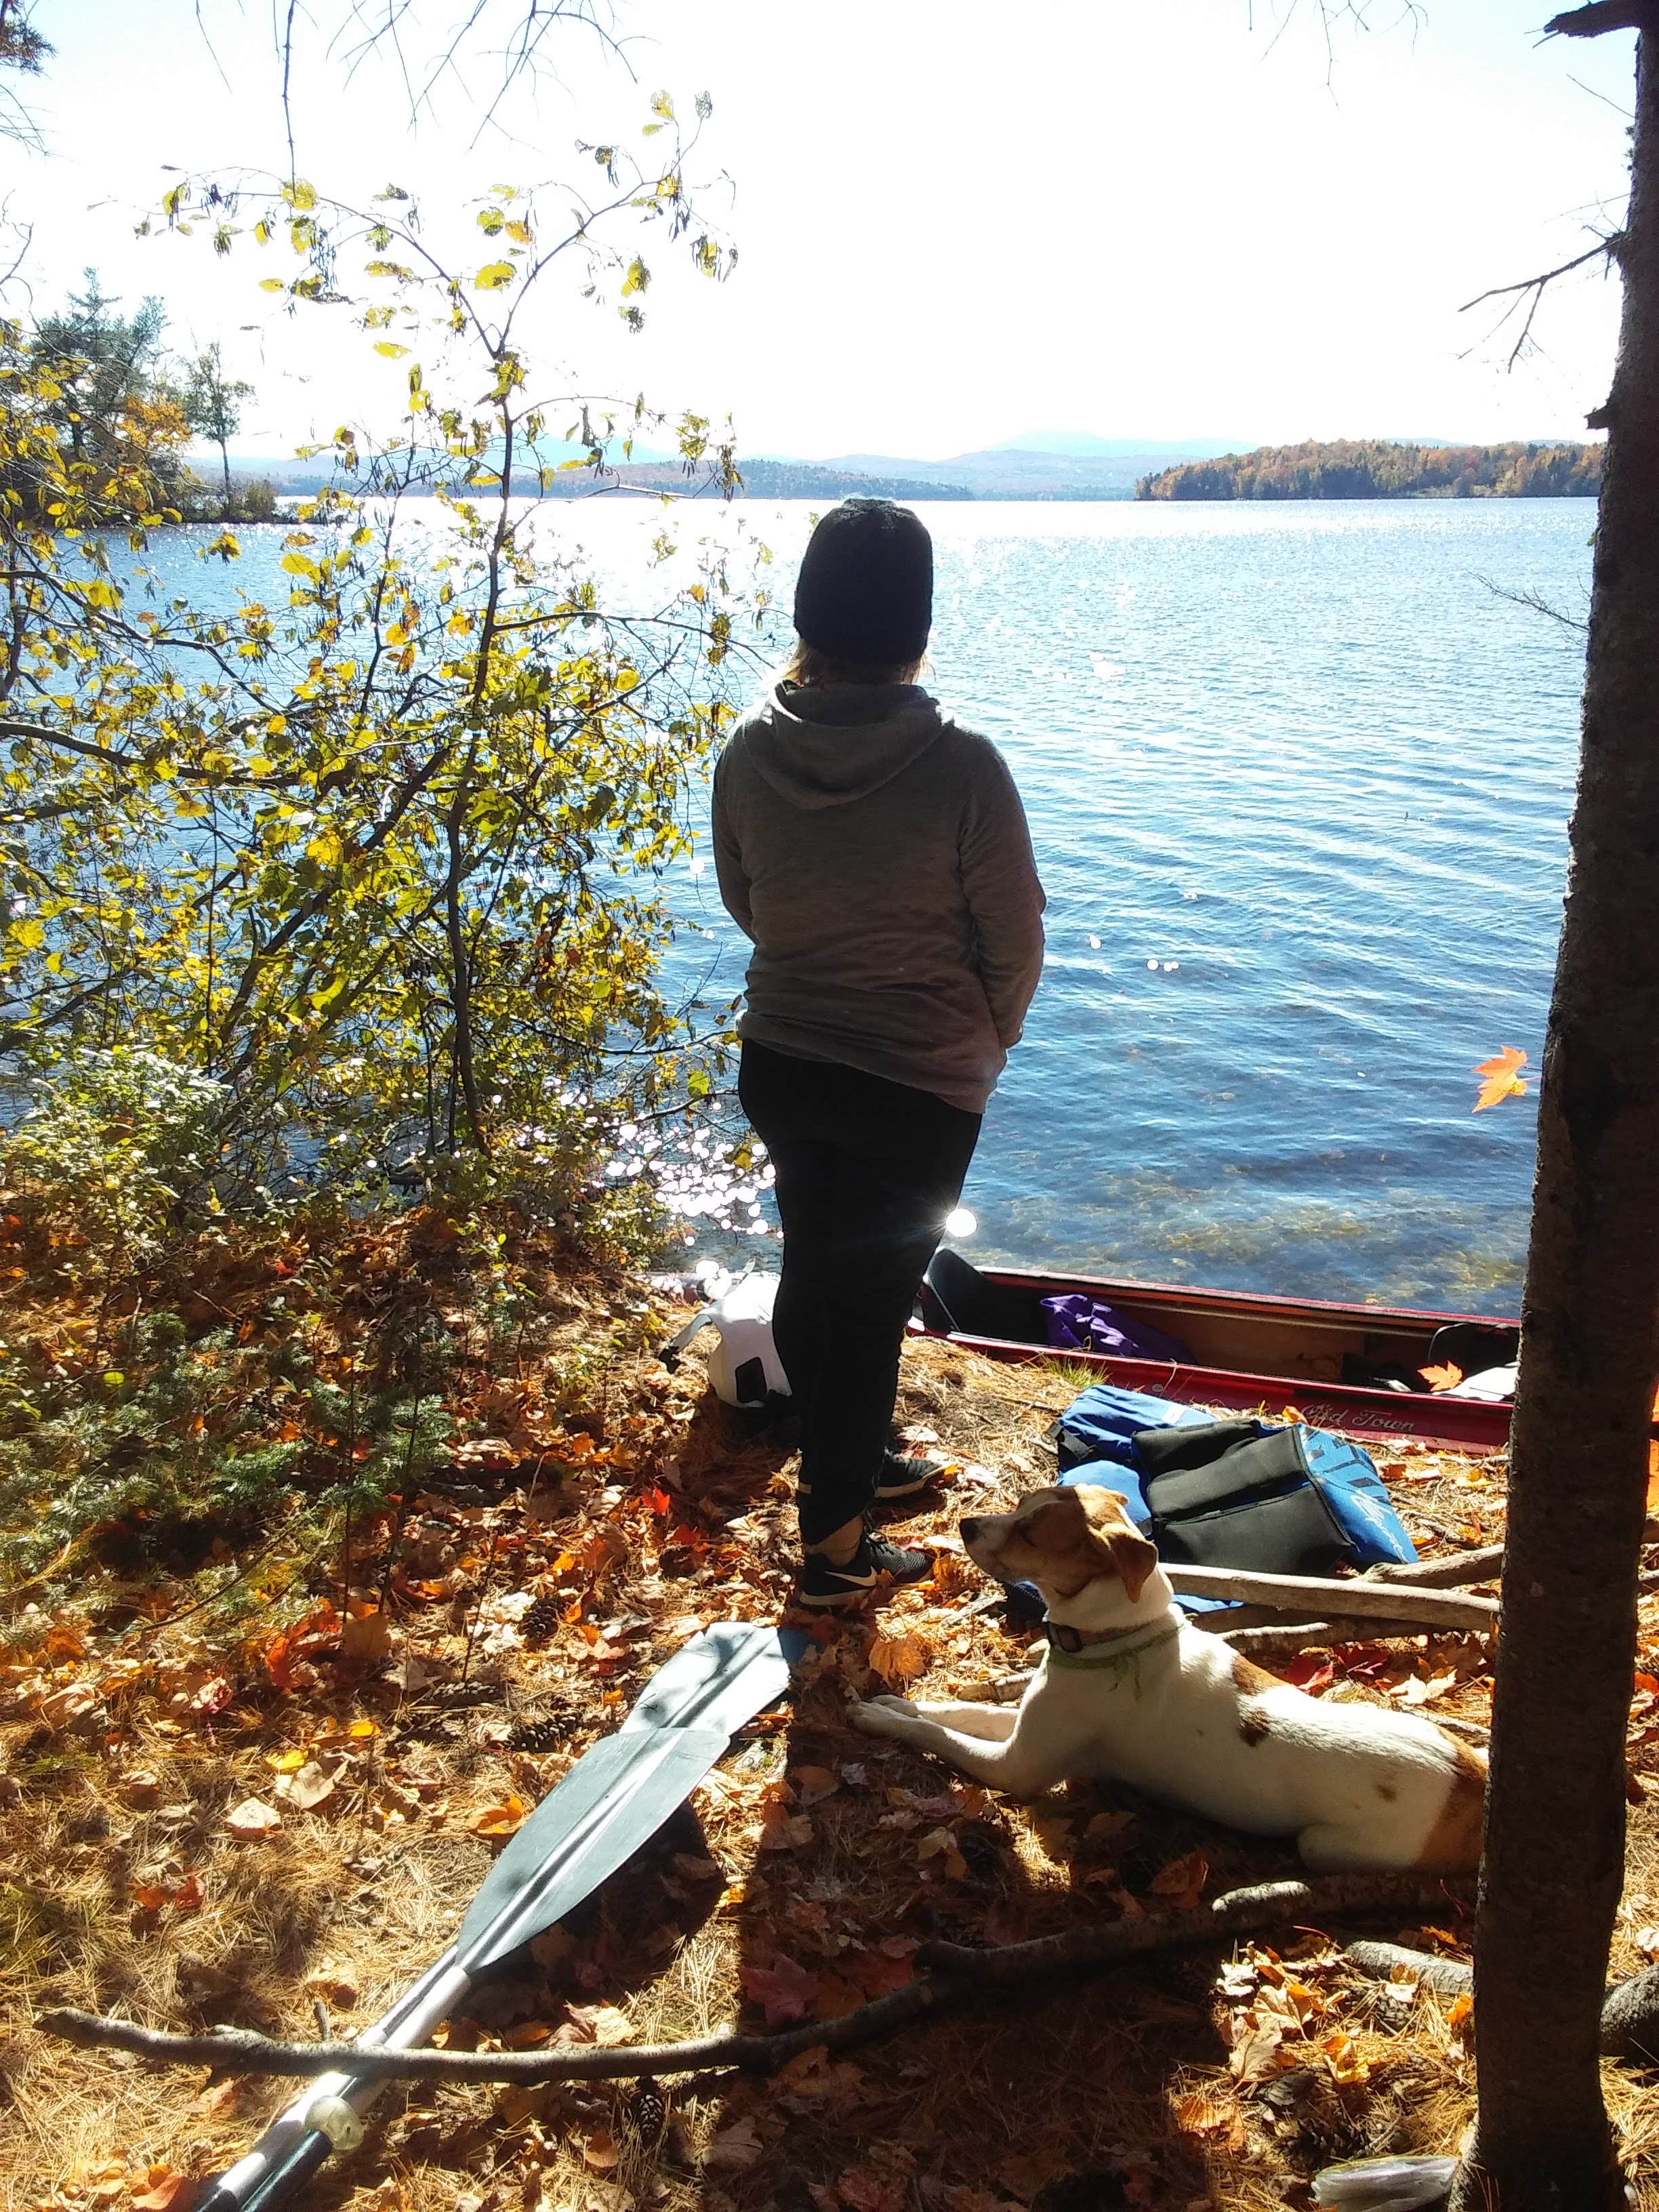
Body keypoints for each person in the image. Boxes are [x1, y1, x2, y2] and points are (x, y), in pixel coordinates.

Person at [711, 499, 1046, 1607]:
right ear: (919, 623)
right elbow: (1016, 944)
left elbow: (749, 903)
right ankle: (837, 1558)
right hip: (916, 1085)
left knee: (823, 1276)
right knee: (862, 1311)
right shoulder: (965, 768)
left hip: (788, 1063)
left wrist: (826, 980)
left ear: (808, 610)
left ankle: (854, 1466)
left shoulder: (748, 754)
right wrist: (979, 1047)